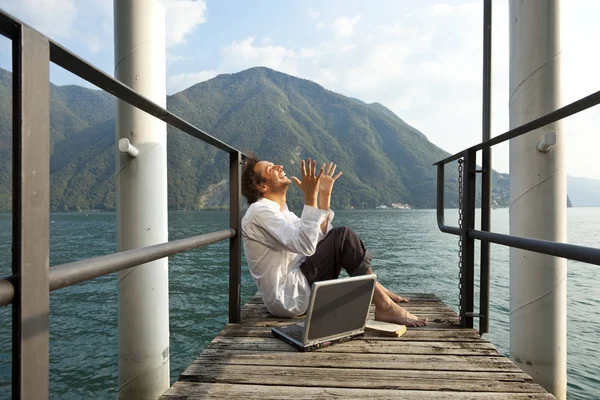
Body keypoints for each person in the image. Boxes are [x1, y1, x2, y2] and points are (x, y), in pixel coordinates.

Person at [240, 155, 427, 327]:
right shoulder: (259, 212)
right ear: (262, 186)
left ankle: (376, 289)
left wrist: (324, 195)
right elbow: (307, 245)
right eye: (271, 168)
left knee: (340, 238)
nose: (279, 166)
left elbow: (320, 237)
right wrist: (310, 196)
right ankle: (383, 304)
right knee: (342, 236)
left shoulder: (283, 213)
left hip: (300, 283)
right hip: (290, 296)